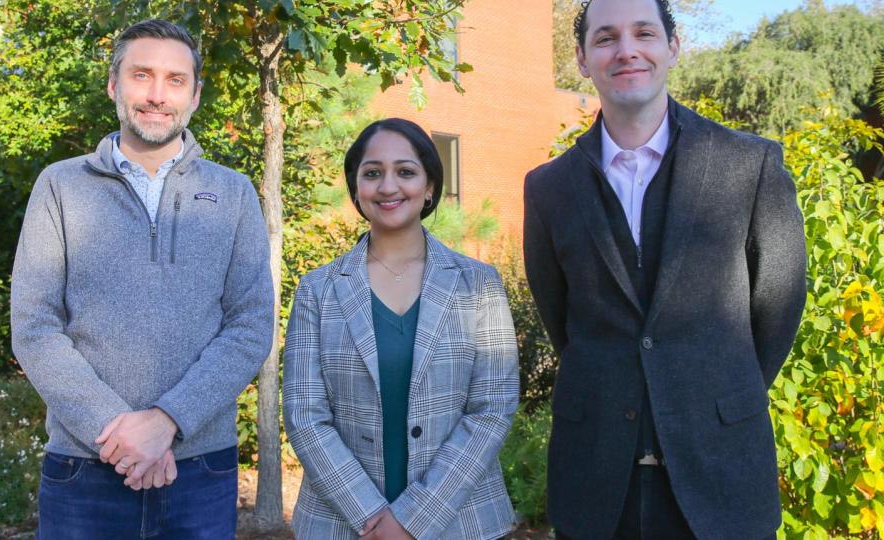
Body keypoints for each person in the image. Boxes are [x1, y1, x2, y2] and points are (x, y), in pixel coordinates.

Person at [522, 0, 807, 538]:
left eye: (644, 33)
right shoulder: (548, 188)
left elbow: (779, 303)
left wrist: (714, 390)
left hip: (721, 473)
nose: (626, 50)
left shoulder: (751, 166)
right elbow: (560, 319)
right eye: (605, 38)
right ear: (582, 59)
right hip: (597, 483)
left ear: (672, 47)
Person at [10, 19, 274, 539]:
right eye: (142, 75)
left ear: (195, 95)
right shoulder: (60, 187)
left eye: (175, 80)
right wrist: (119, 432)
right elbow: (35, 326)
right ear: (114, 85)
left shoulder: (234, 193)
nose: (157, 95)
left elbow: (250, 325)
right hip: (84, 467)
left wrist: (165, 423)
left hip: (200, 469)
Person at [283, 118, 519, 539]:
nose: (388, 186)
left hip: (460, 523)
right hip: (341, 523)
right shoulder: (317, 290)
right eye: (373, 173)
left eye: (405, 172)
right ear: (357, 189)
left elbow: (491, 408)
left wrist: (413, 520)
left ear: (430, 186)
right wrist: (373, 520)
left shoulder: (479, 284)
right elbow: (305, 416)